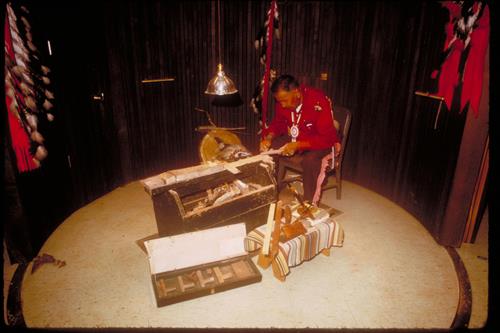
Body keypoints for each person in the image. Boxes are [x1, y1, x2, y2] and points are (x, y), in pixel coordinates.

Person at [260, 74, 341, 204]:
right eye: (279, 101)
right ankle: (267, 191)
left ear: (296, 93)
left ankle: (309, 204)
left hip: (320, 141)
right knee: (268, 150)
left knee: (310, 161)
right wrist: (268, 137)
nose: (282, 105)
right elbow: (278, 123)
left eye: (284, 100)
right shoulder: (283, 101)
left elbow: (326, 139)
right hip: (297, 137)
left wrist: (298, 145)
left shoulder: (318, 101)